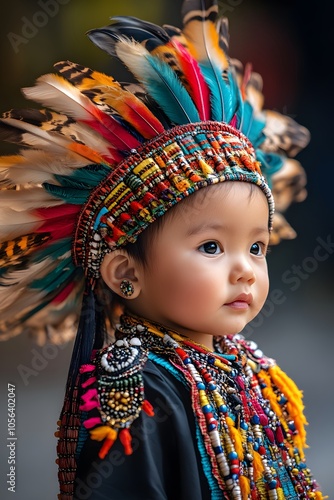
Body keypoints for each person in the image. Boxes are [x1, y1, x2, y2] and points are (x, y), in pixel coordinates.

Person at [0, 1, 325, 499]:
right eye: (212, 246)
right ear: (125, 272)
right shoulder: (134, 397)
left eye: (257, 246)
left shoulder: (253, 372)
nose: (245, 270)